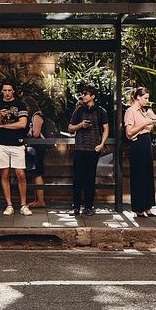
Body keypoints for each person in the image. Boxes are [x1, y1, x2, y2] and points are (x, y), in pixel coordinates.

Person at [0, 82, 32, 216]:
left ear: (13, 91)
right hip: (1, 144)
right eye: (5, 90)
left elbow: (22, 124)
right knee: (5, 174)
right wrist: (0, 117)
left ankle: (23, 205)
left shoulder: (20, 105)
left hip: (17, 144)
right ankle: (9, 205)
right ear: (2, 91)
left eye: (9, 90)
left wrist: (3, 126)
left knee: (20, 174)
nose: (7, 93)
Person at [67, 83, 108, 216]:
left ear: (93, 96)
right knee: (77, 178)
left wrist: (101, 144)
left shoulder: (101, 111)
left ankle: (89, 206)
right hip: (79, 148)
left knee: (90, 178)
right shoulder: (79, 110)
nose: (83, 96)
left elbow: (106, 128)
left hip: (93, 149)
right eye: (83, 93)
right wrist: (80, 125)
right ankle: (76, 206)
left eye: (86, 94)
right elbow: (70, 128)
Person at [123, 86, 156, 218]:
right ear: (138, 97)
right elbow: (129, 133)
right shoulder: (131, 111)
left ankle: (148, 207)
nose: (147, 100)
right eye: (145, 98)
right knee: (138, 175)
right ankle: (139, 208)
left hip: (146, 141)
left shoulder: (143, 111)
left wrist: (152, 119)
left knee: (147, 175)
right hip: (137, 144)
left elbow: (149, 127)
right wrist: (144, 124)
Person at [24, 97, 48, 209]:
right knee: (34, 173)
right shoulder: (35, 116)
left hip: (37, 148)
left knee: (37, 173)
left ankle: (40, 200)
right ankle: (37, 199)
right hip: (35, 148)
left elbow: (36, 133)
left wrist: (28, 132)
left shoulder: (36, 116)